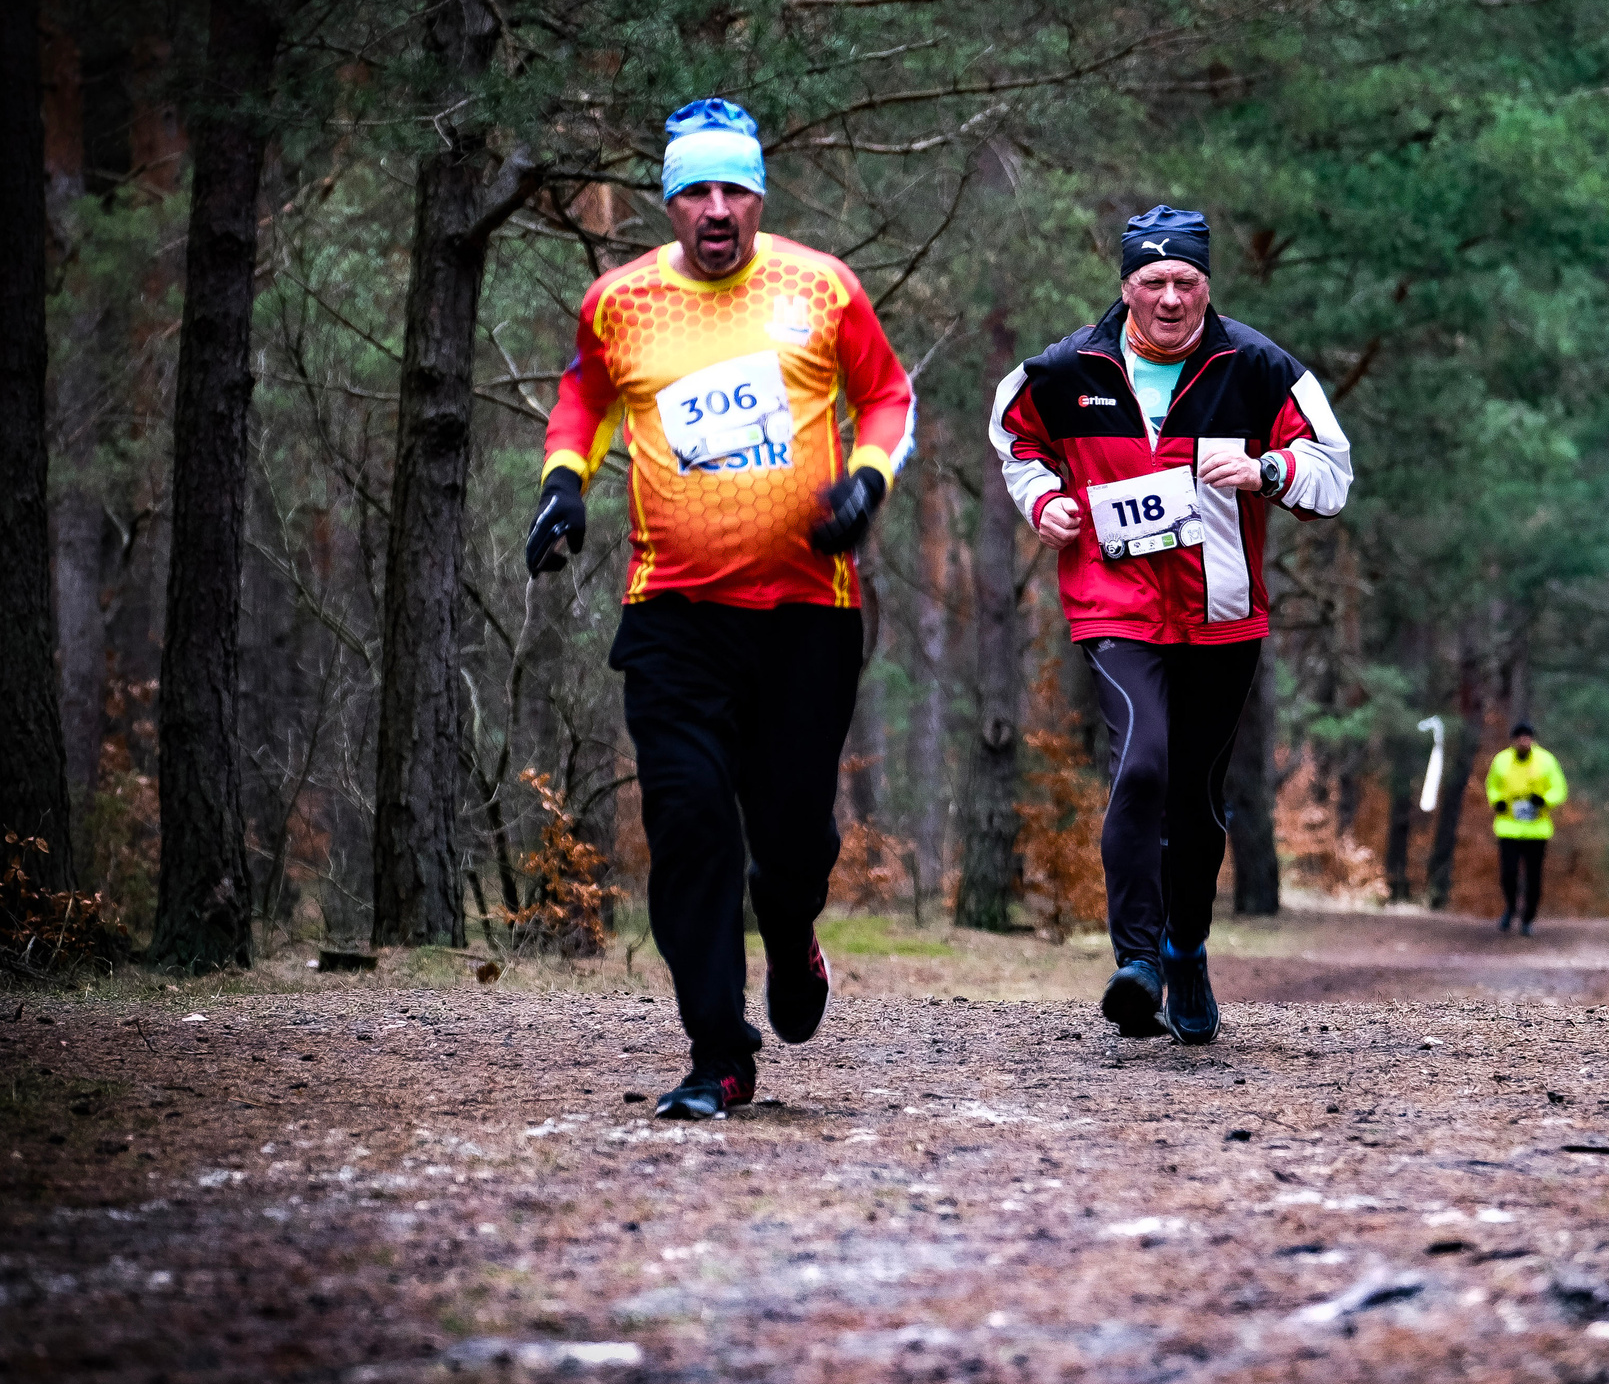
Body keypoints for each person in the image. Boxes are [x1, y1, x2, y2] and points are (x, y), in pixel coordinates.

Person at [527, 97, 915, 1119]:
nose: (714, 208)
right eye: (694, 190)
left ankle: (792, 939)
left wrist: (867, 485)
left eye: (733, 189)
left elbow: (886, 399)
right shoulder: (620, 303)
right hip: (674, 612)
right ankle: (718, 1051)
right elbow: (585, 398)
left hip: (807, 608)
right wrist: (564, 482)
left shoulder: (821, 287)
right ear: (667, 202)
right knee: (690, 822)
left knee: (790, 840)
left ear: (758, 198)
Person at [990, 205, 1351, 1044]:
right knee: (1140, 760)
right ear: (1125, 286)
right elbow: (1013, 431)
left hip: (1223, 616)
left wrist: (1266, 468)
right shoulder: (1065, 367)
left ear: (1207, 285)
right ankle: (1138, 962)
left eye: (1186, 282)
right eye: (1152, 282)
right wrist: (1043, 501)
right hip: (1115, 607)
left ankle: (1187, 949)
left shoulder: (1258, 367)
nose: (1170, 298)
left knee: (1195, 802)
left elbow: (1333, 472)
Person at [1485, 720, 1567, 936]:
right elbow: (1492, 785)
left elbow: (1559, 788)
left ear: (1532, 739)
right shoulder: (1501, 761)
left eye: (1527, 737)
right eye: (1520, 738)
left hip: (1537, 829)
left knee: (1534, 877)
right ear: (1513, 740)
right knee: (1508, 874)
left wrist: (1544, 800)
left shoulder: (1546, 761)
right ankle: (1511, 908)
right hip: (1508, 827)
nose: (1524, 742)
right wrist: (1497, 801)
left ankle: (1528, 918)